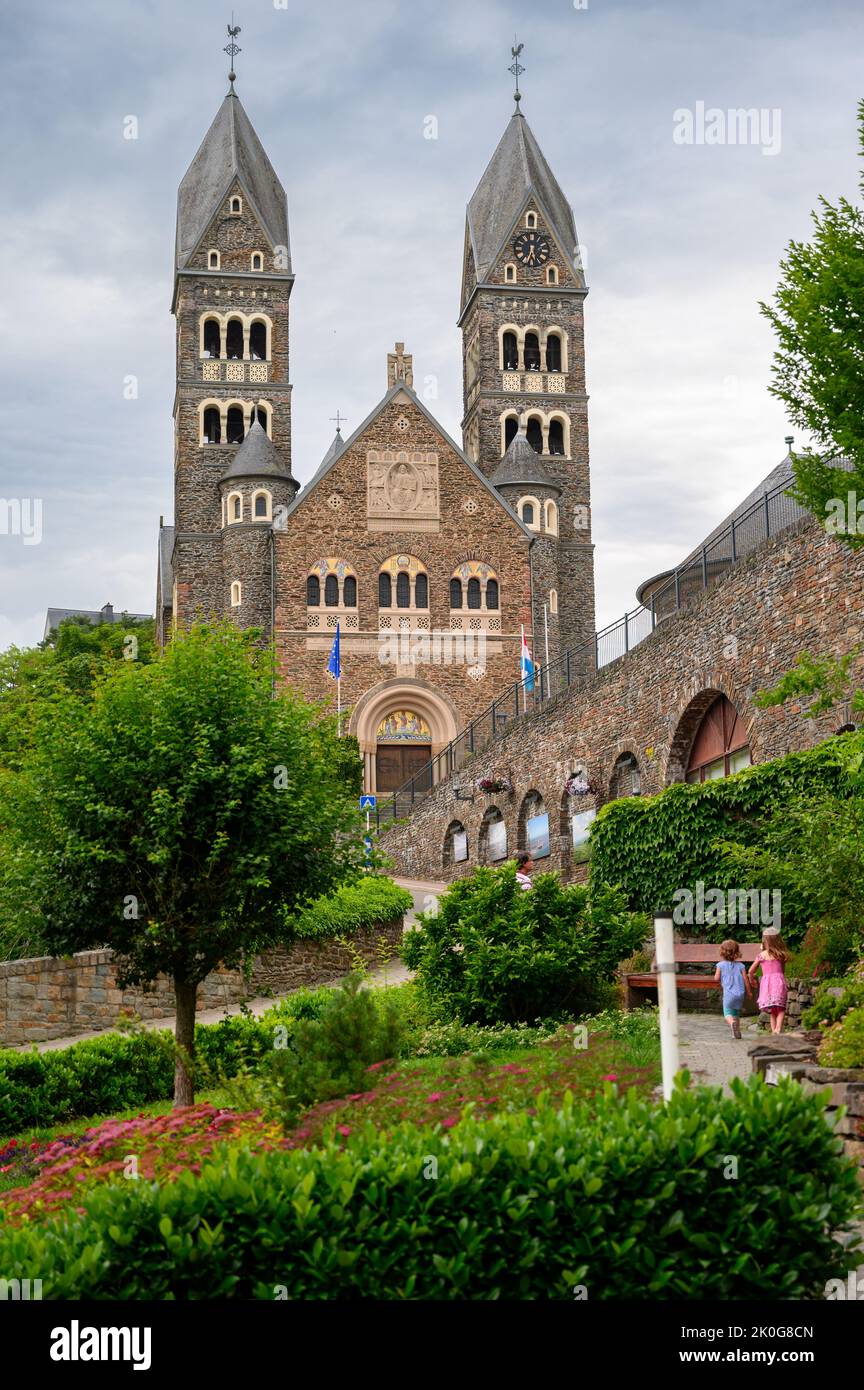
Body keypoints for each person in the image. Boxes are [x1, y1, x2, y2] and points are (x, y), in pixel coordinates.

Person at [748, 926, 790, 1034]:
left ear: (765, 940)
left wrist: (752, 980)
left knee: (772, 1011)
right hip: (778, 982)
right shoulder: (781, 955)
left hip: (767, 985)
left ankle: (774, 1031)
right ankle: (778, 1028)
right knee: (781, 1008)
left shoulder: (761, 955)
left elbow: (751, 971)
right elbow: (782, 971)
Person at [713, 939, 752, 1040]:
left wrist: (720, 979)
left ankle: (732, 1023)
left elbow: (716, 978)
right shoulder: (741, 966)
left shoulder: (720, 965)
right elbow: (746, 980)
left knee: (727, 1013)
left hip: (729, 994)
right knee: (736, 1013)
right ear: (736, 952)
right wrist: (749, 992)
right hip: (740, 994)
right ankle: (737, 1032)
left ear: (722, 952)